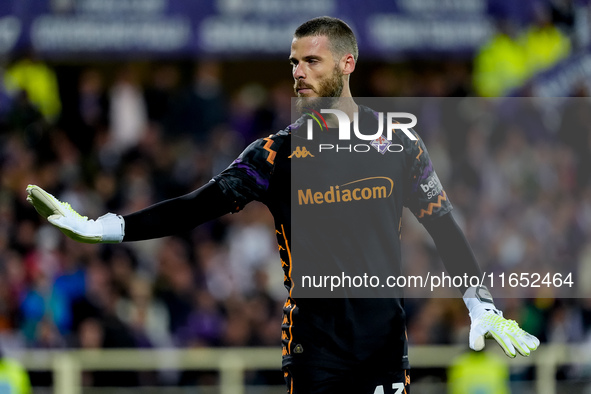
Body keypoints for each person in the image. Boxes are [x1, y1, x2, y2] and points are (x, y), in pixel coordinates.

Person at [26, 16, 539, 394]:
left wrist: (479, 301)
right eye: (293, 62)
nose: (298, 71)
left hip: (383, 340)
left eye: (311, 60)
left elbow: (443, 225)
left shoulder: (398, 145)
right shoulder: (275, 153)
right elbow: (195, 206)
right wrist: (107, 228)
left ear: (347, 64)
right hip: (314, 347)